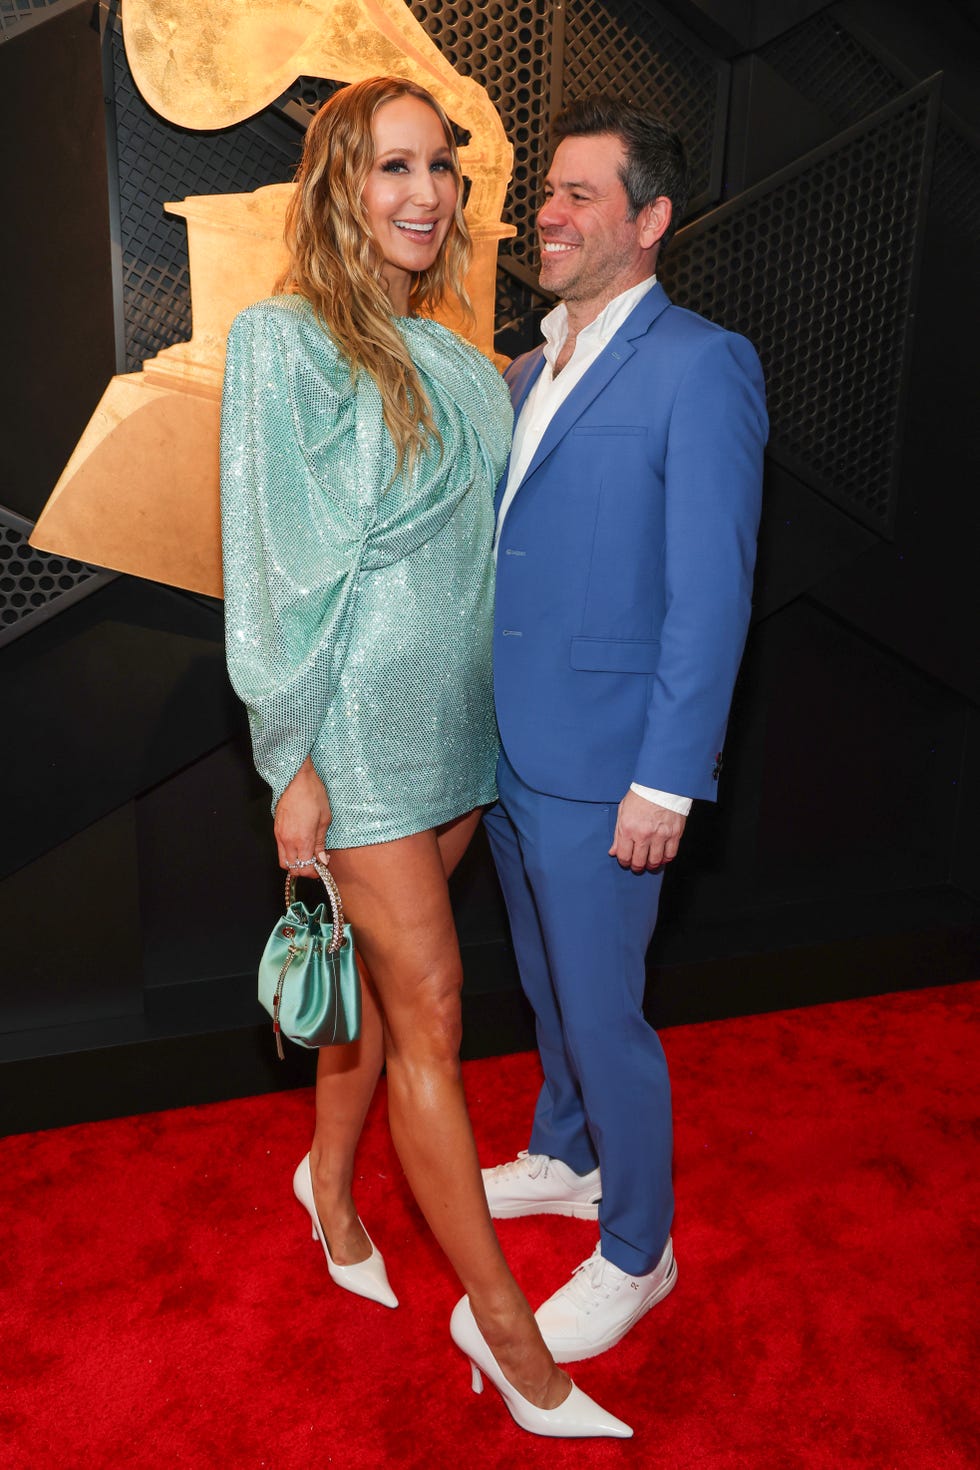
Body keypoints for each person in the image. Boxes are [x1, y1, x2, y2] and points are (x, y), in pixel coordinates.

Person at [219, 76, 630, 1439]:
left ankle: (326, 1185)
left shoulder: (463, 360)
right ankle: (509, 1334)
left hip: (458, 735)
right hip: (350, 732)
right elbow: (278, 568)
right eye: (394, 166)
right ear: (340, 184)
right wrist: (291, 756)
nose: (426, 192)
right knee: (435, 1013)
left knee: (388, 998)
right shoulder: (284, 341)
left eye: (441, 168)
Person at [482, 94, 768, 1363]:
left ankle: (637, 1248)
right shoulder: (526, 367)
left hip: (609, 763)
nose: (546, 211)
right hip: (506, 745)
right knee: (546, 983)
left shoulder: (701, 365)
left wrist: (667, 779)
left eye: (579, 194)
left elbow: (712, 590)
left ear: (648, 222)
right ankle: (566, 1151)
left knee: (603, 1010)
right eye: (546, 190)